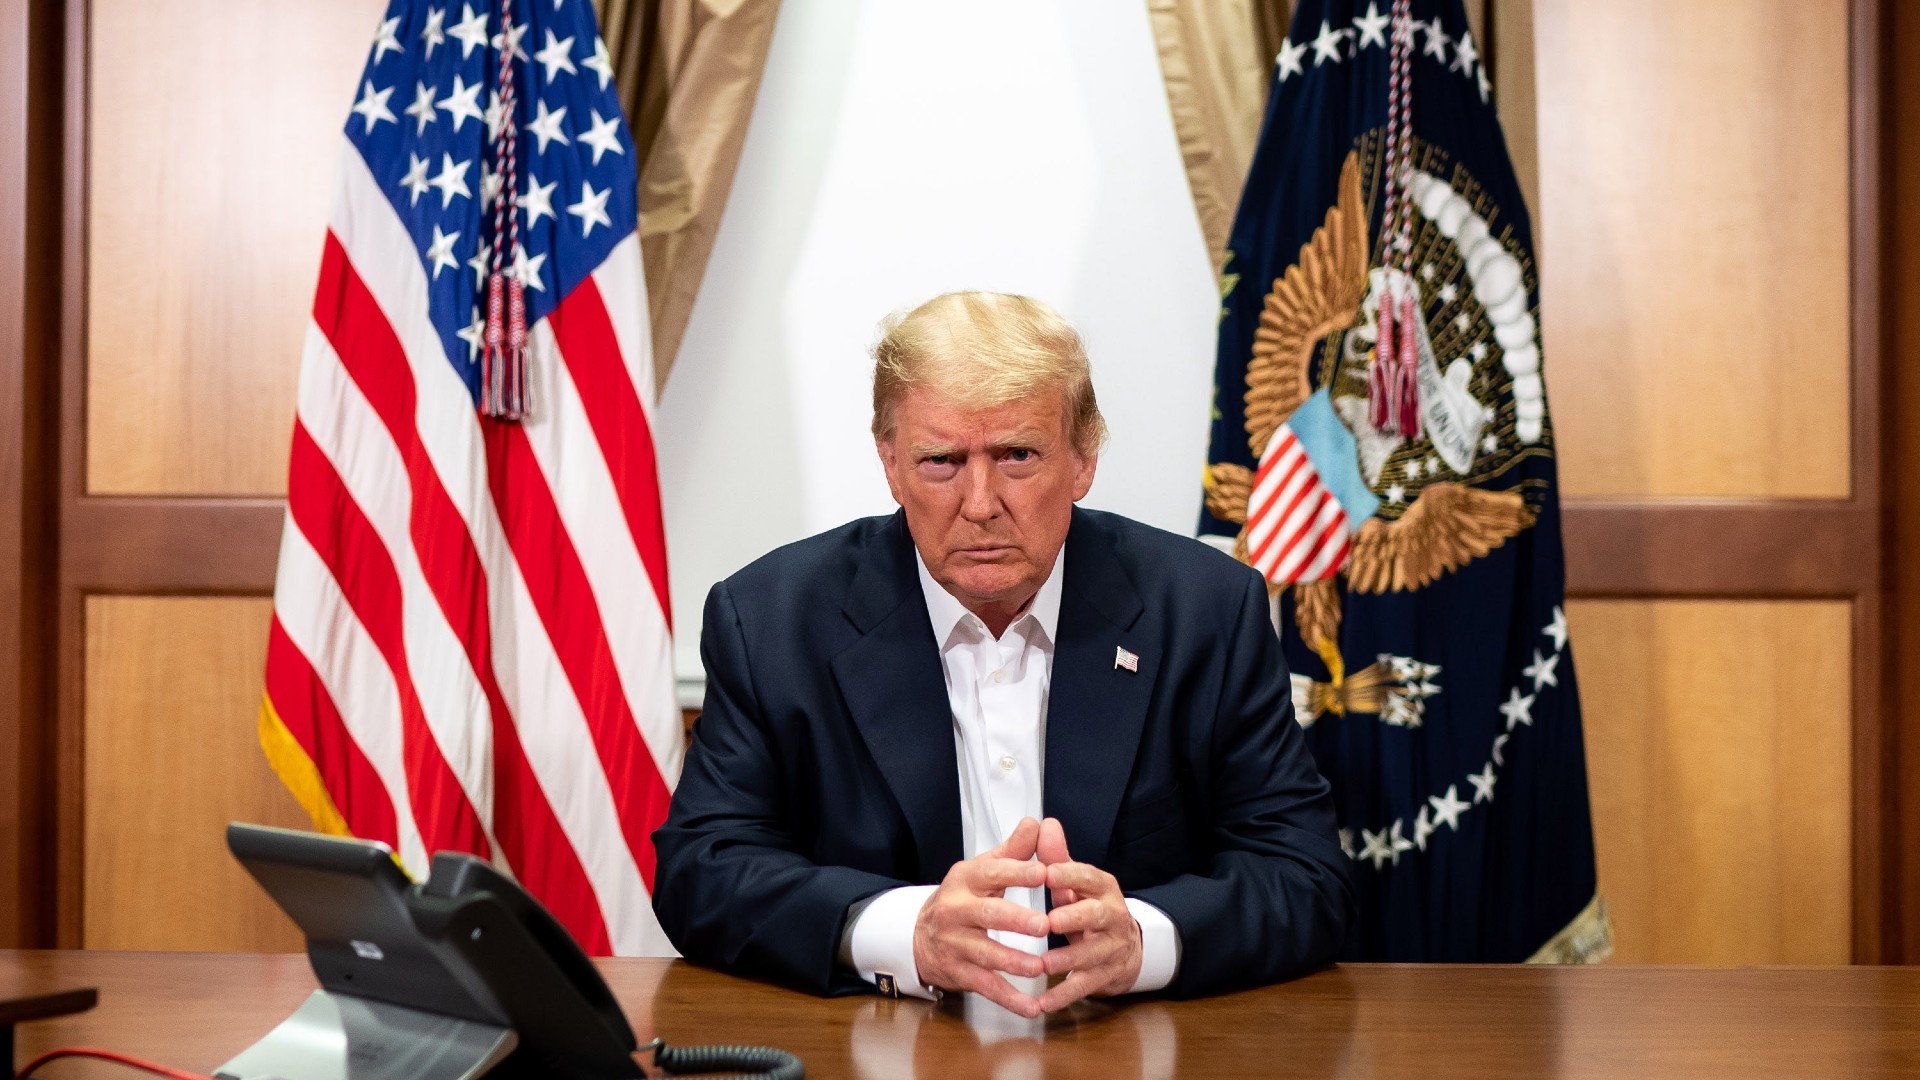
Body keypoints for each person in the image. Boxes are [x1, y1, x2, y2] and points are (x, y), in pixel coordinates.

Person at [653, 292, 1351, 1016]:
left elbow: (1304, 876)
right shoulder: (772, 621)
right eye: (940, 461)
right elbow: (703, 872)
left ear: (1083, 458)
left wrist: (1142, 939)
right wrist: (904, 931)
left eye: (1017, 455)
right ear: (890, 462)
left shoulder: (1206, 612)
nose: (980, 502)